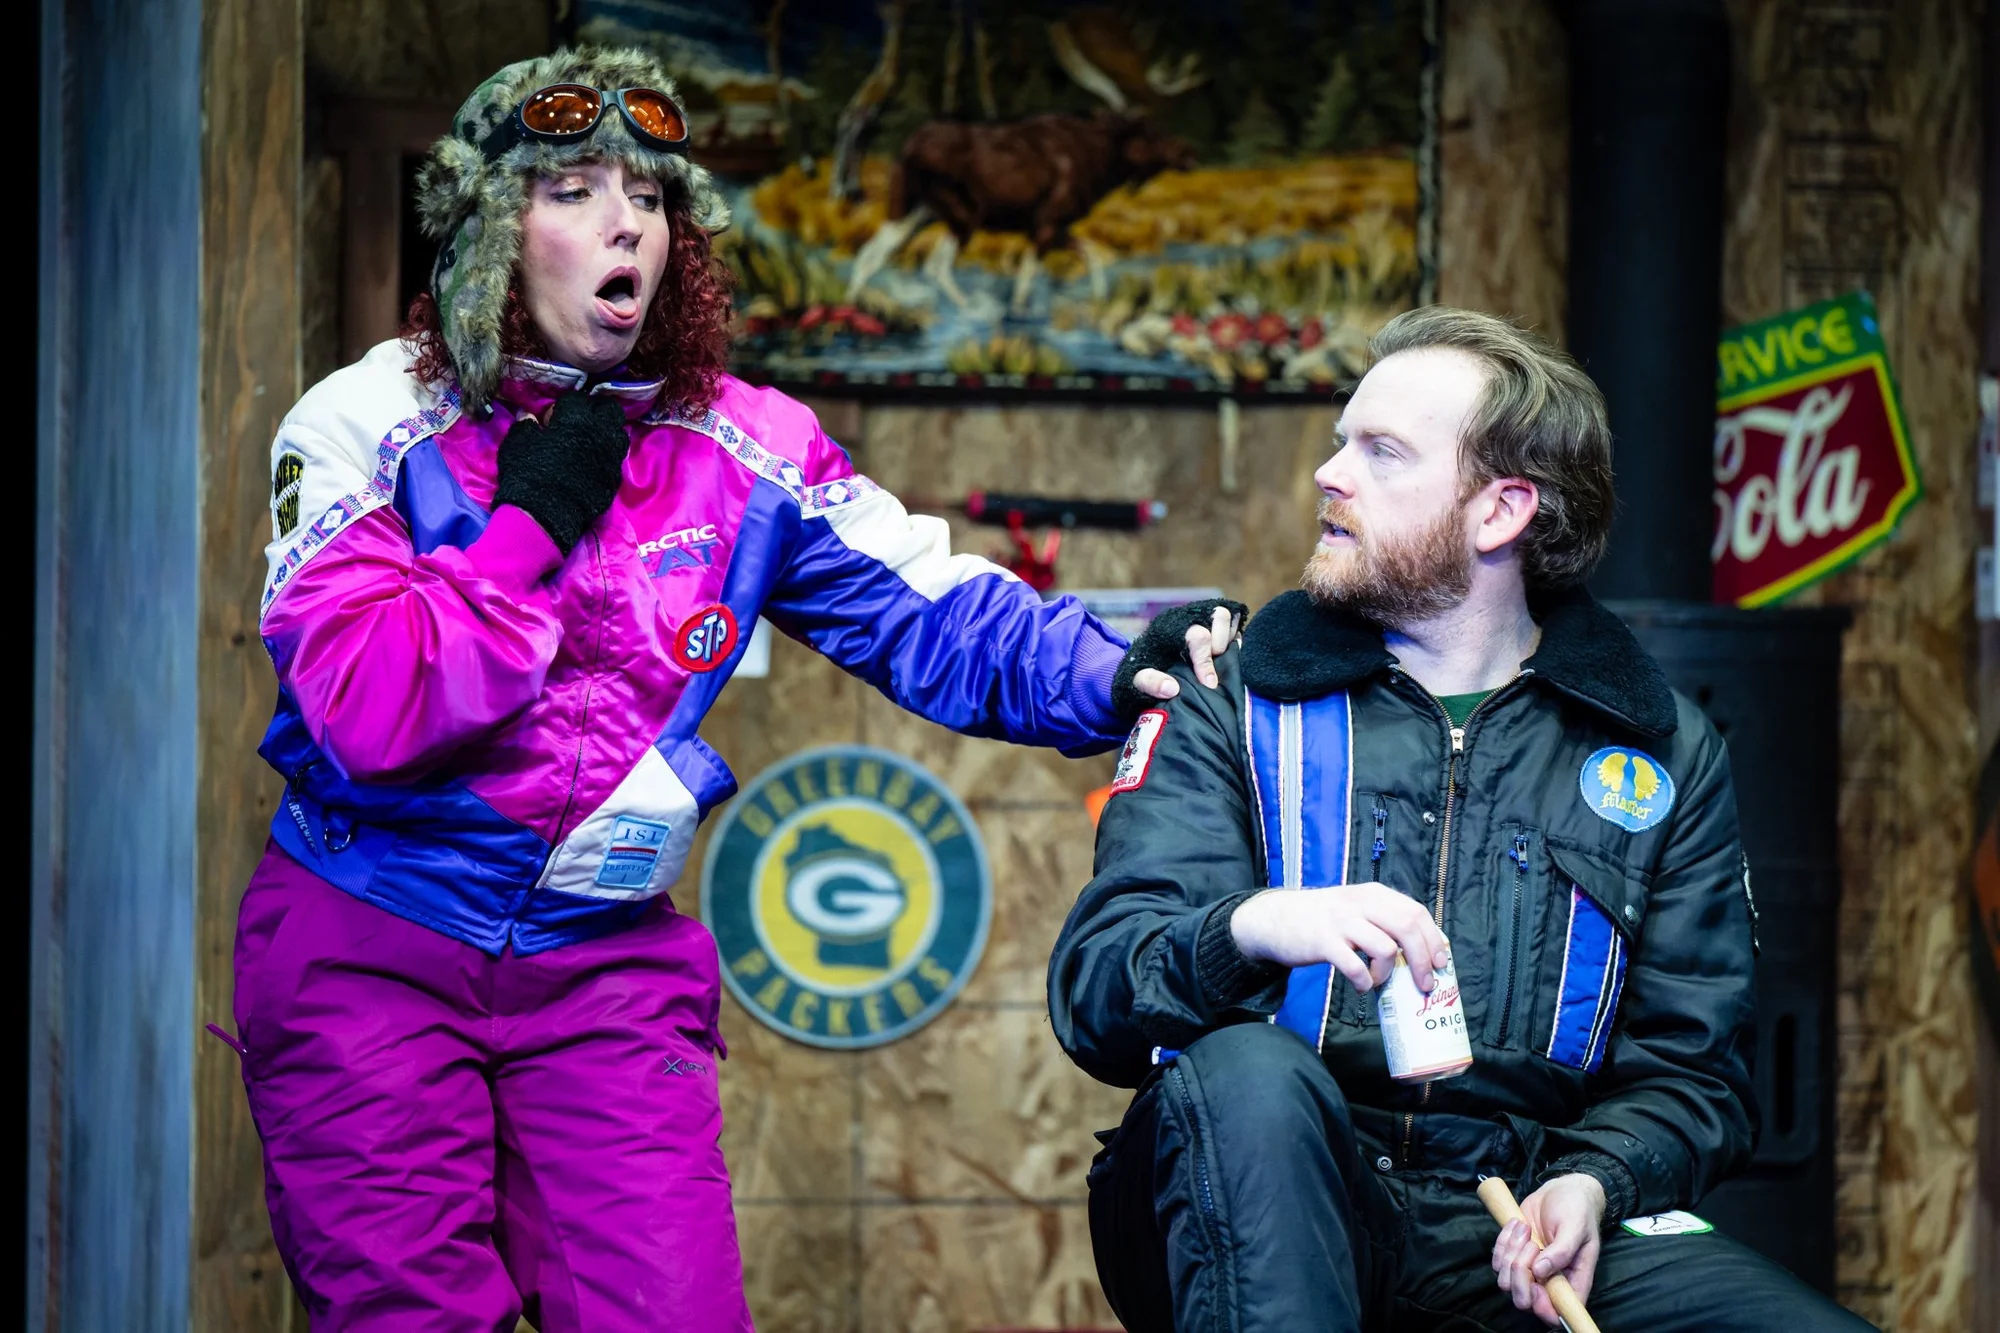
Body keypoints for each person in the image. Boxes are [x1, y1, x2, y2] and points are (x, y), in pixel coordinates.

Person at [233, 46, 1226, 1333]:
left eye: (646, 196)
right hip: (372, 946)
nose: (620, 223)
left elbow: (925, 609)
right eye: (572, 190)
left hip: (598, 963)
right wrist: (530, 523)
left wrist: (1116, 665)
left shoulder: (742, 442)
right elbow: (371, 707)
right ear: (487, 226)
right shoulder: (362, 424)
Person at [1048, 306, 1877, 1332]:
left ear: (1500, 513)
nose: (1327, 472)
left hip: (1506, 1220)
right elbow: (1096, 994)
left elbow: (1695, 1076)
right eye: (1340, 438)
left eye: (1380, 452)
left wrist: (1595, 1184)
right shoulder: (1226, 689)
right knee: (1249, 1075)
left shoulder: (1662, 748)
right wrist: (1256, 926)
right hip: (1249, 1193)